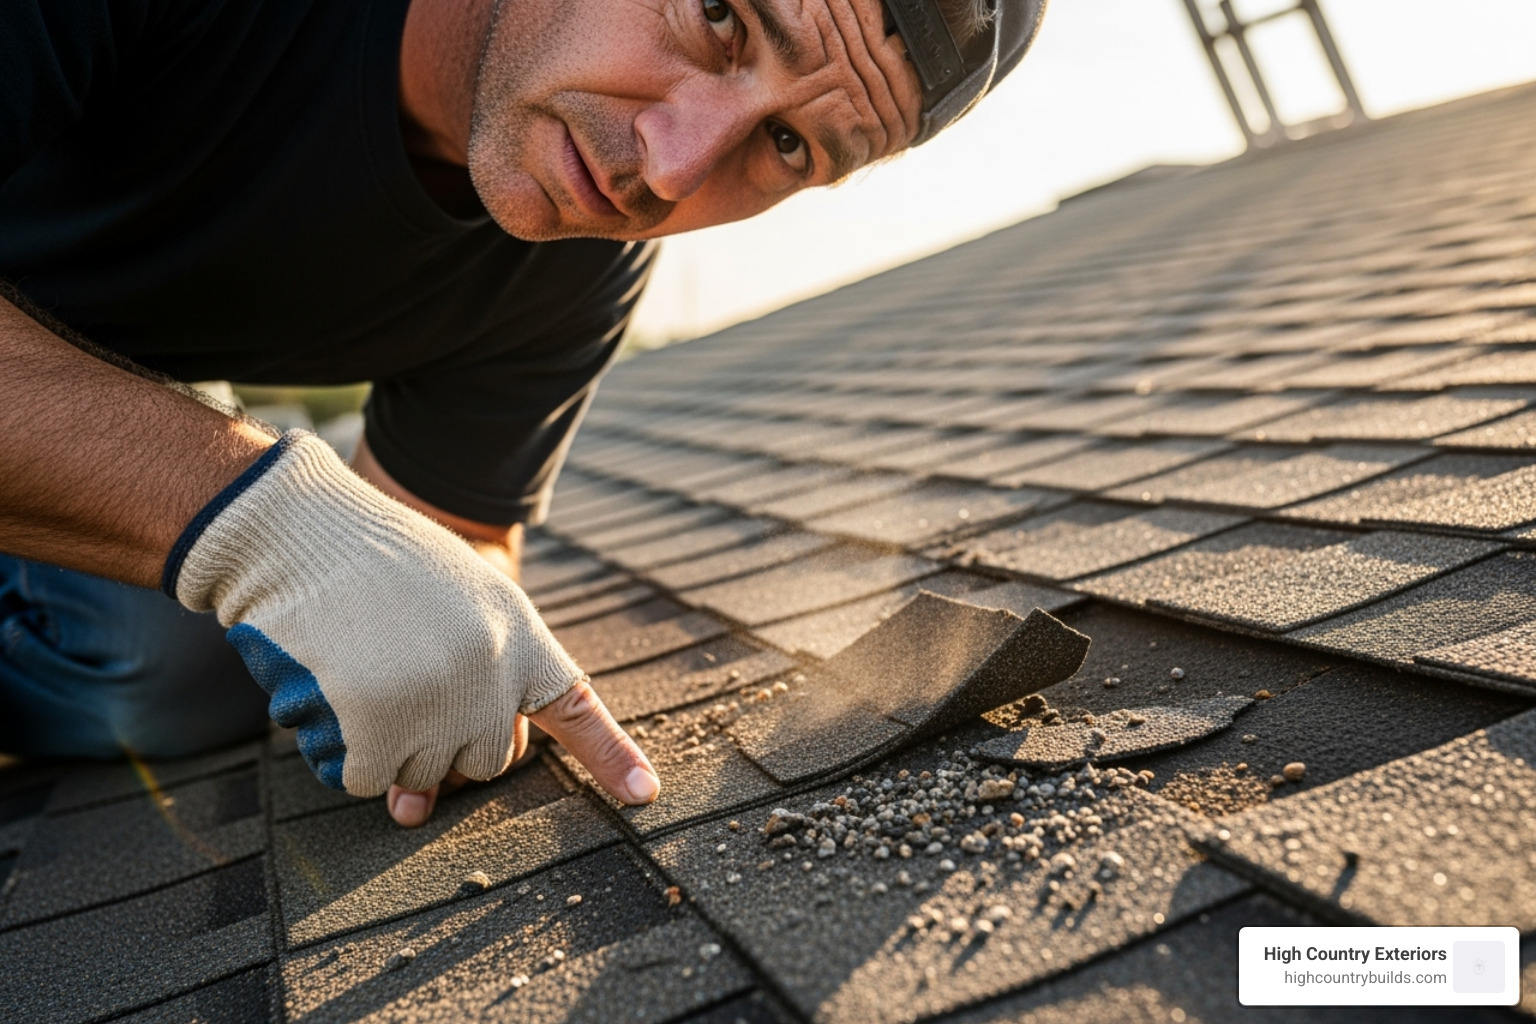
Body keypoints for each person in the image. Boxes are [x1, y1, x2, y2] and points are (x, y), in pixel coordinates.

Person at [0, 0, 1046, 826]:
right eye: (719, 16)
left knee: (179, 675)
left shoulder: (579, 258)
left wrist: (456, 649)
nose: (673, 166)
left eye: (786, 145)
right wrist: (264, 519)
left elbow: (453, 550)